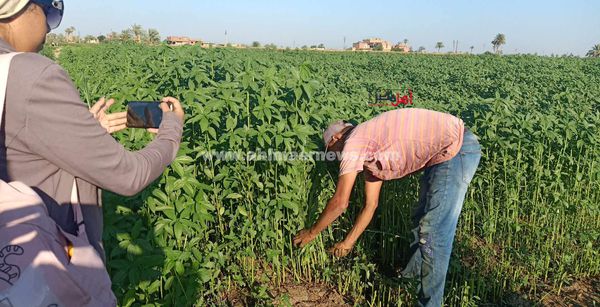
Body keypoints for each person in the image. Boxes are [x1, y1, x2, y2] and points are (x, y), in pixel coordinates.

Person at [0, 0, 185, 261]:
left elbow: (19, 145)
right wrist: (171, 129)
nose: (50, 27)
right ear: (18, 7)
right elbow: (129, 176)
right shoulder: (33, 75)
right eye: (49, 11)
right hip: (46, 265)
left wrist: (79, 133)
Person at [293, 108, 481, 306]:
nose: (337, 160)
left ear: (336, 139)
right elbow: (370, 206)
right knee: (421, 221)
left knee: (434, 233)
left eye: (333, 154)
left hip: (457, 148)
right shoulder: (369, 150)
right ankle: (407, 283)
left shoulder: (354, 142)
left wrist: (312, 232)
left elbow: (340, 202)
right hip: (445, 152)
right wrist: (348, 242)